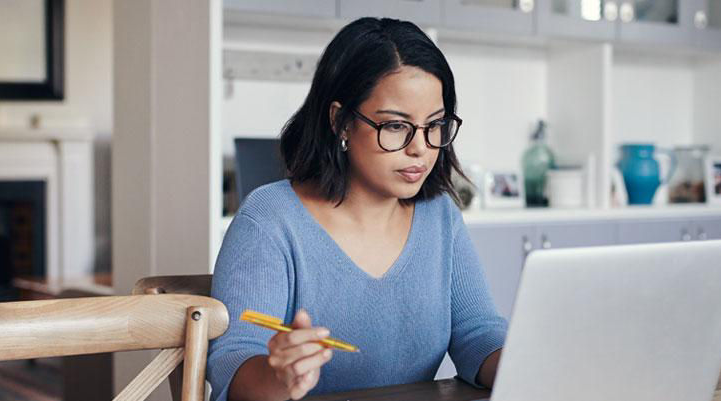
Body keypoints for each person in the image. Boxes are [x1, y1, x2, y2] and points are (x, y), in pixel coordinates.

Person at [207, 17, 508, 401]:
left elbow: (476, 333)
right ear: (341, 121)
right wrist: (277, 376)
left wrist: (529, 362)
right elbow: (233, 364)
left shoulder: (440, 216)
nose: (421, 148)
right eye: (397, 126)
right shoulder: (270, 219)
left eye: (435, 125)